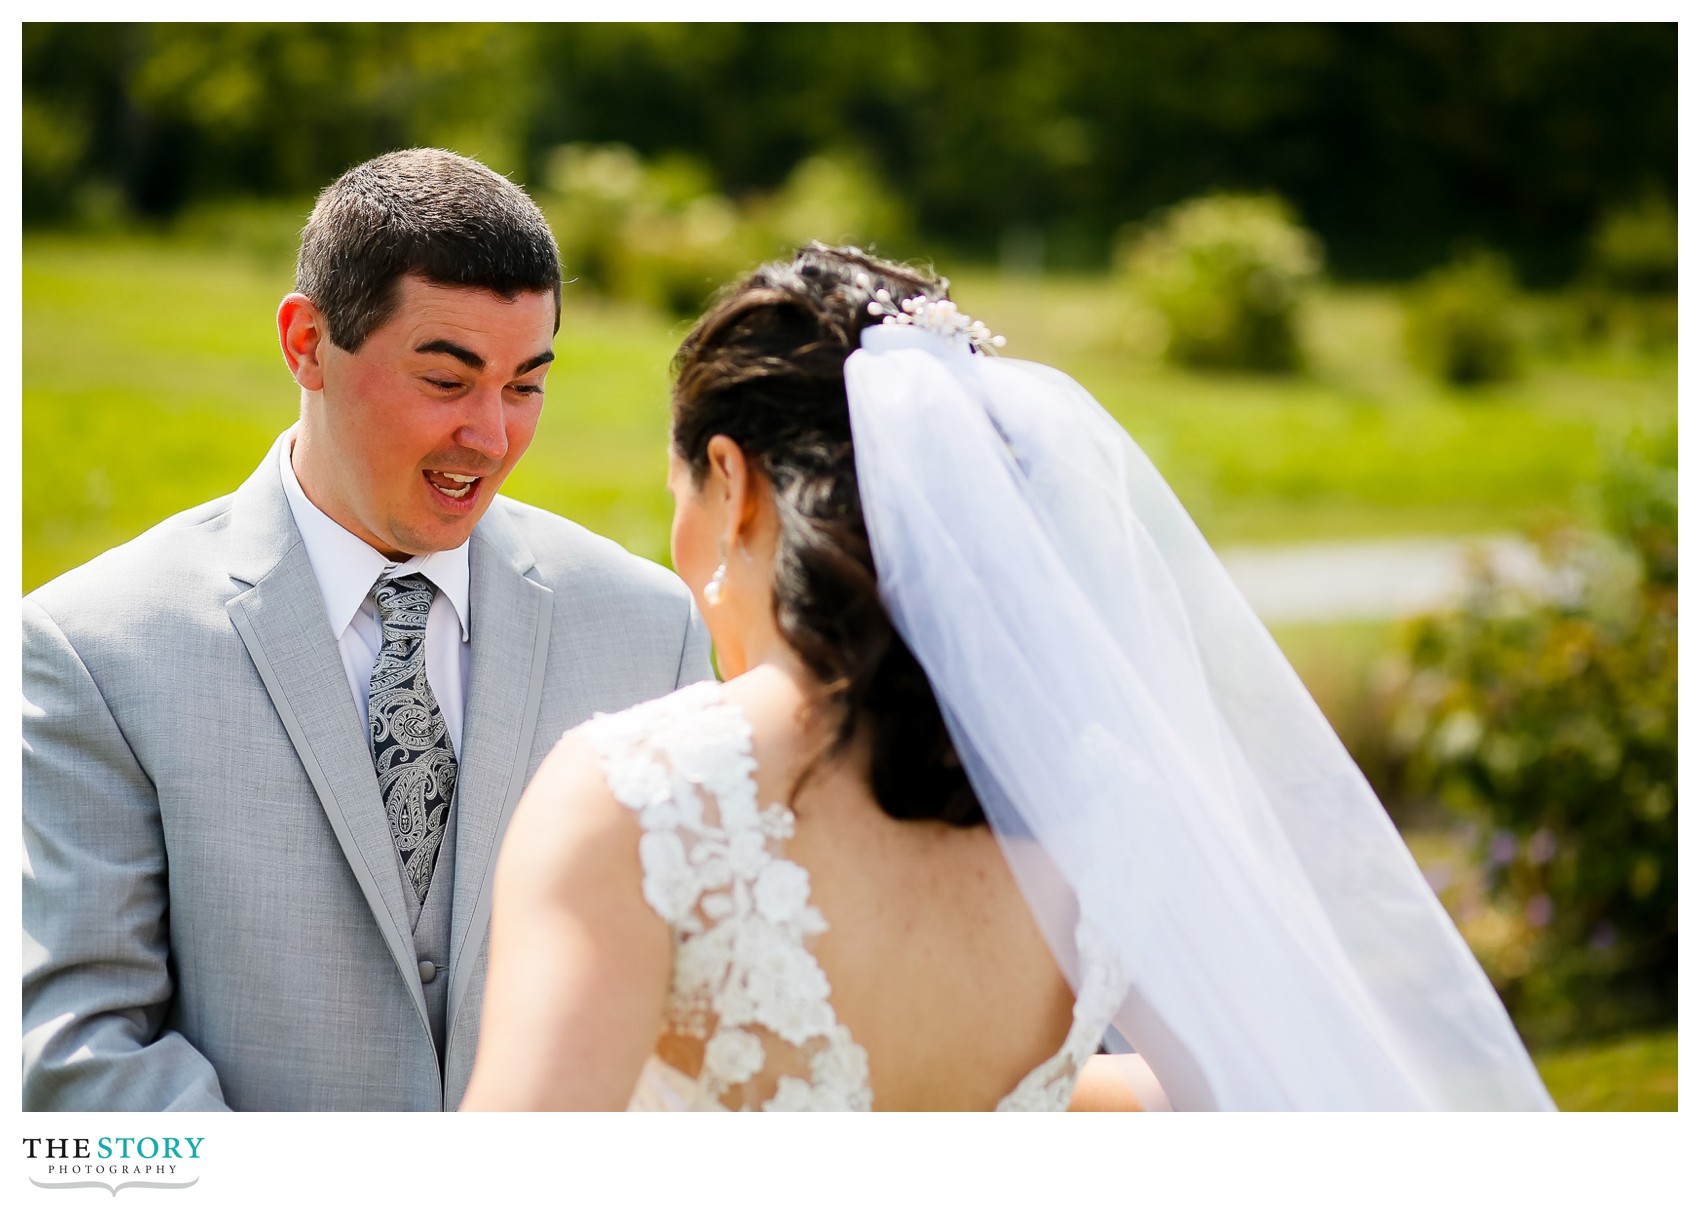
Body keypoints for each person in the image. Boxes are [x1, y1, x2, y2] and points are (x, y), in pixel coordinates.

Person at [461, 243, 1555, 1112]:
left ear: (732, 483)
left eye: (680, 497)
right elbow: (1242, 1087)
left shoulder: (634, 794)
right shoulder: (1102, 799)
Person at [22, 148, 712, 1112]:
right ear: (306, 341)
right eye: (446, 378)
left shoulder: (651, 628)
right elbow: (74, 1056)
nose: (493, 436)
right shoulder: (93, 646)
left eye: (524, 385)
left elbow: (688, 1013)